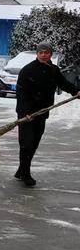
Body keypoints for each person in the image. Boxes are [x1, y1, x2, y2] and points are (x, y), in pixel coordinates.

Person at [15, 42, 80, 187]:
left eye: (46, 52)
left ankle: (21, 169)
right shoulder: (28, 70)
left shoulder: (54, 70)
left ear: (50, 54)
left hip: (42, 112)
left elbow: (63, 83)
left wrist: (75, 91)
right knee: (26, 143)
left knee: (35, 143)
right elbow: (21, 93)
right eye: (41, 52)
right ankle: (25, 174)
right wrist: (25, 113)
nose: (43, 55)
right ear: (37, 54)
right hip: (27, 114)